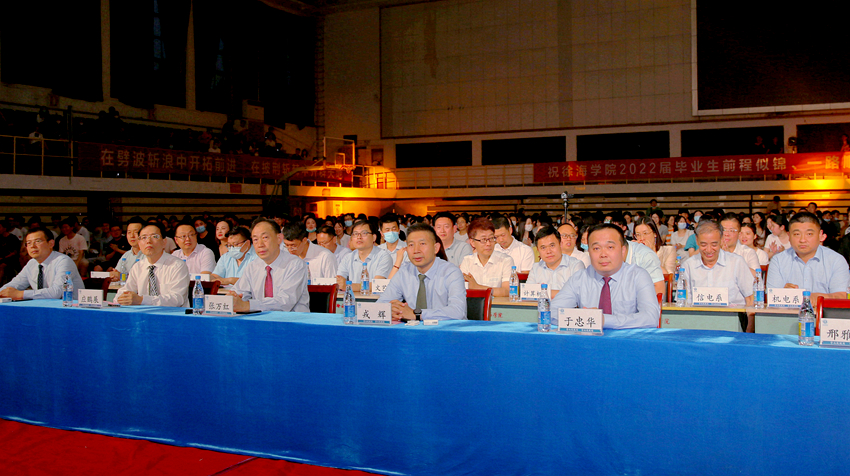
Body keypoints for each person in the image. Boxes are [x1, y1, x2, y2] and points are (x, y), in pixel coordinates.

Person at [550, 223, 659, 329]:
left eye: (610, 247)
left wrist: (603, 320)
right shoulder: (580, 278)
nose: (603, 254)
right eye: (596, 248)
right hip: (589, 339)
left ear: (623, 251)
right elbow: (553, 312)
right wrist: (584, 318)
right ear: (589, 251)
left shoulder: (638, 276)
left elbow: (651, 317)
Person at [378, 223, 467, 321]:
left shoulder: (451, 272)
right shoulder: (404, 272)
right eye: (411, 245)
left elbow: (458, 311)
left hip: (446, 329)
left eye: (422, 244)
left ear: (436, 248)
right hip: (412, 329)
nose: (416, 250)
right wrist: (391, 310)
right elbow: (380, 304)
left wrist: (417, 314)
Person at [229, 219, 310, 312]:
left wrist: (248, 305)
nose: (260, 244)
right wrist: (232, 298)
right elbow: (238, 292)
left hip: (291, 319)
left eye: (265, 238)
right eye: (255, 239)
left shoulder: (295, 264)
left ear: (279, 238)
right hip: (259, 319)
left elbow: (284, 303)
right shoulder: (252, 267)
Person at [766, 212, 850, 302]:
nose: (802, 240)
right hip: (789, 311)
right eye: (797, 234)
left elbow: (841, 297)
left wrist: (811, 297)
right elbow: (771, 297)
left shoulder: (836, 260)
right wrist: (784, 294)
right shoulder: (778, 261)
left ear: (820, 235)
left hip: (823, 311)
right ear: (789, 236)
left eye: (809, 234)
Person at [680, 220, 754, 308]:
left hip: (732, 315)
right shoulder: (688, 266)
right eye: (703, 245)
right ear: (697, 240)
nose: (709, 250)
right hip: (698, 315)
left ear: (722, 240)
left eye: (714, 245)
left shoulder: (737, 262)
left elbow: (750, 298)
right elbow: (683, 302)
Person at [115, 224, 190, 307]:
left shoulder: (177, 265)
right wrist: (121, 298)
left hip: (171, 314)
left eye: (154, 236)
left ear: (164, 242)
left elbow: (177, 299)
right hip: (143, 314)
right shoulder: (137, 267)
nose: (148, 241)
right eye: (144, 237)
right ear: (139, 243)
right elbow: (124, 292)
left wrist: (142, 300)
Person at [0, 229, 84, 300]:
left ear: (51, 244)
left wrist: (21, 294)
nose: (32, 246)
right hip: (43, 308)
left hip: (69, 309)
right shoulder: (32, 263)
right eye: (28, 243)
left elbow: (57, 292)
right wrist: (3, 292)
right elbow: (14, 284)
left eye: (38, 241)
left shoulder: (63, 261)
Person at [460, 218, 514, 297]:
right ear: (472, 242)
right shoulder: (467, 261)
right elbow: (461, 290)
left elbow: (507, 291)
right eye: (483, 240)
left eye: (491, 238)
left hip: (497, 304)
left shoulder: (505, 260)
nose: (488, 244)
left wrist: (477, 287)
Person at [336, 220, 393, 292]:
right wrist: (343, 284)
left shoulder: (383, 257)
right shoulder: (348, 258)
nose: (359, 237)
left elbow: (377, 285)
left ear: (374, 237)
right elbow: (339, 281)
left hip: (376, 298)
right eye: (355, 234)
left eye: (364, 233)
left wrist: (349, 286)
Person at [527, 226, 584, 297]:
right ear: (538, 250)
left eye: (552, 245)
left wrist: (542, 291)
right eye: (543, 247)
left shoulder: (575, 266)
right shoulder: (536, 268)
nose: (548, 251)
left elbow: (578, 294)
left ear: (560, 244)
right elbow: (527, 293)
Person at [108, 217, 145, 281]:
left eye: (136, 232)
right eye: (129, 232)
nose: (132, 236)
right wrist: (115, 276)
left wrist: (121, 276)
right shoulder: (126, 255)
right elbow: (117, 273)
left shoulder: (150, 255)